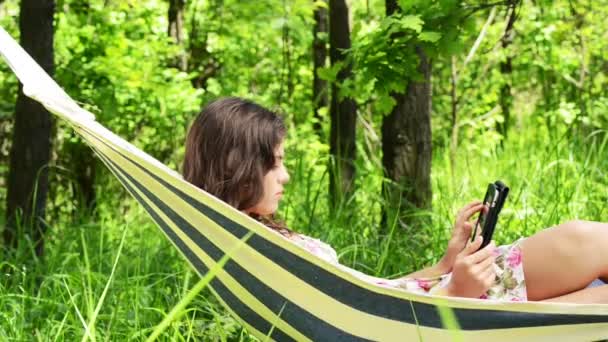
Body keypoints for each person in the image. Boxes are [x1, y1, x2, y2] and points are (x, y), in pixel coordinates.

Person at [182, 97, 608, 303]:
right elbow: (368, 331)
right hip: (461, 312)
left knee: (586, 243)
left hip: (449, 294)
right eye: (275, 164)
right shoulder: (257, 256)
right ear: (238, 168)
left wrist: (444, 264)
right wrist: (455, 291)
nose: (286, 175)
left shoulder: (257, 239)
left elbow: (370, 299)